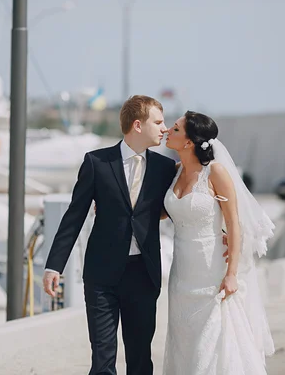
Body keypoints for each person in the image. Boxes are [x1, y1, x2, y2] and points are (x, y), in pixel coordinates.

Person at [42, 95, 176, 375]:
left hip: (144, 274)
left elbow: (180, 209)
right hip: (101, 276)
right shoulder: (96, 162)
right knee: (102, 359)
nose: (165, 128)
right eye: (158, 122)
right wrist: (54, 264)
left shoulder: (165, 169)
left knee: (140, 360)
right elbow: (74, 216)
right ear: (137, 125)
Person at [162, 111, 275, 374]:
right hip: (181, 278)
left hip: (211, 273)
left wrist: (232, 274)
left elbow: (234, 223)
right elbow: (163, 211)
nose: (168, 130)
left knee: (214, 342)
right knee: (185, 342)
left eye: (176, 129)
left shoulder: (215, 173)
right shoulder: (175, 172)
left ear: (189, 142)